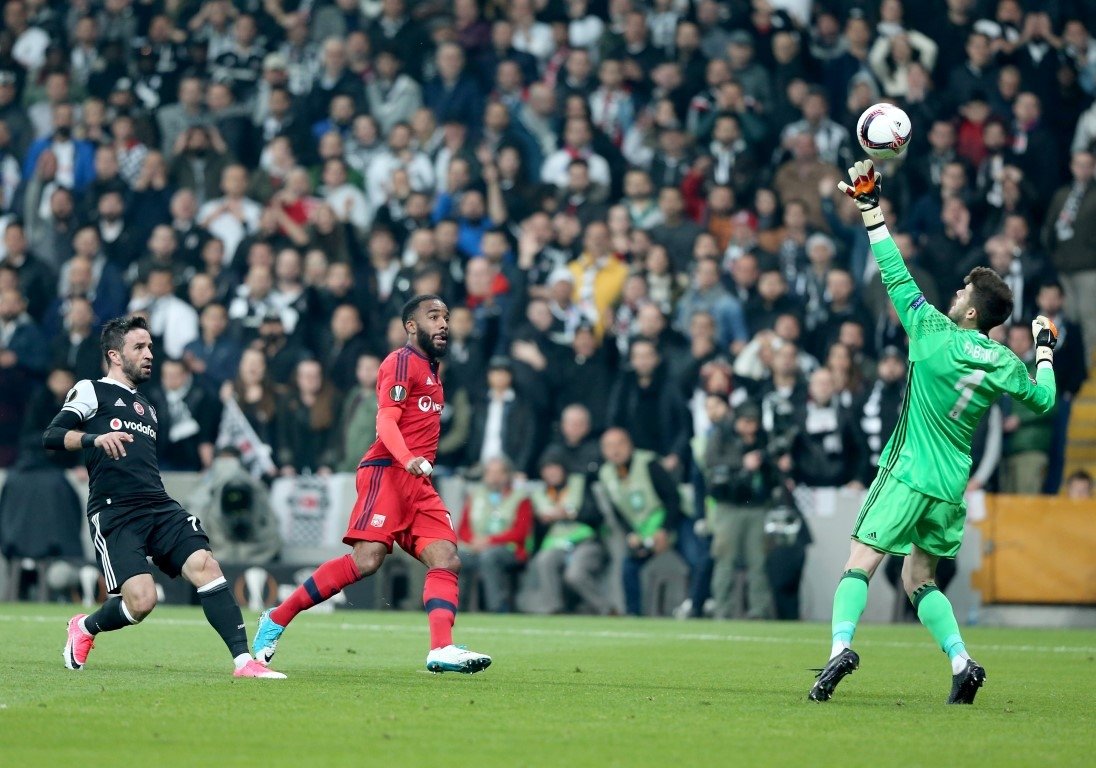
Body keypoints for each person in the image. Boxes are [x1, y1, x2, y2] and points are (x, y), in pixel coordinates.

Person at [809, 161, 1057, 705]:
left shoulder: (932, 331)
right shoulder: (1002, 360)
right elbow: (1044, 399)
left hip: (908, 469)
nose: (954, 293)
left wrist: (871, 211)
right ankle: (962, 662)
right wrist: (1043, 350)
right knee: (919, 578)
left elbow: (894, 273)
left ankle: (839, 649)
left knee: (860, 561)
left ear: (970, 312)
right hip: (950, 484)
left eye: (963, 291)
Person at [252, 295, 491, 674]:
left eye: (446, 317)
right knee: (367, 561)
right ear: (411, 326)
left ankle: (441, 647)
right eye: (433, 317)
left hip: (418, 481)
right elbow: (386, 421)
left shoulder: (432, 371)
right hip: (388, 472)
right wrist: (407, 457)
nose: (444, 324)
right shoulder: (400, 362)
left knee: (446, 558)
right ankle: (277, 618)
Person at [42, 316, 283, 679]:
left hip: (158, 505)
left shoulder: (148, 407)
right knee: (142, 602)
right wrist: (94, 439)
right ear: (114, 355)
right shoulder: (92, 390)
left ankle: (243, 662)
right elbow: (52, 435)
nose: (149, 354)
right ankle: (85, 627)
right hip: (116, 511)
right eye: (139, 347)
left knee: (205, 565)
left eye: (150, 346)